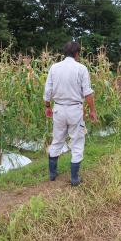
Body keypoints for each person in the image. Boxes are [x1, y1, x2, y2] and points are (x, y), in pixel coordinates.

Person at [43, 41, 97, 186]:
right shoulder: (81, 69)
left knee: (57, 140)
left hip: (58, 109)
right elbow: (87, 92)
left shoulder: (54, 68)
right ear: (77, 53)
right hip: (74, 110)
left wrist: (48, 106)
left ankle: (52, 174)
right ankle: (74, 178)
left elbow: (48, 90)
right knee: (77, 142)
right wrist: (92, 110)